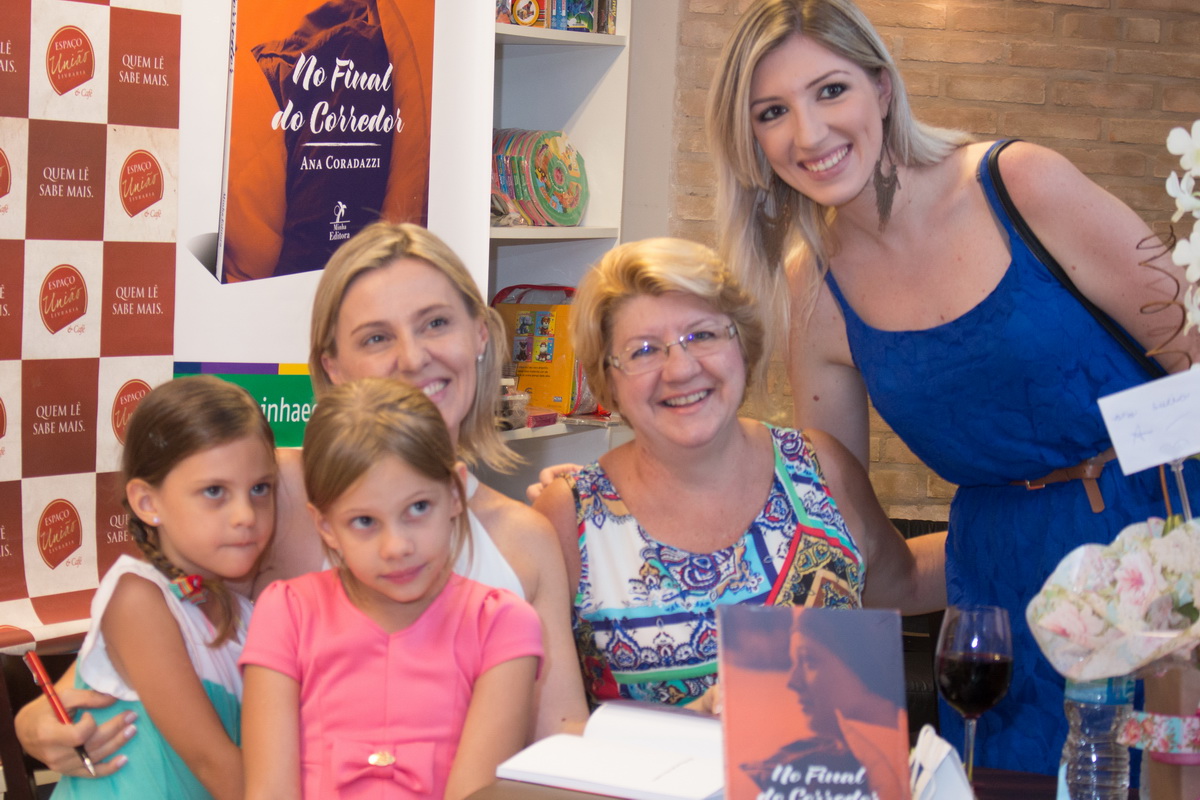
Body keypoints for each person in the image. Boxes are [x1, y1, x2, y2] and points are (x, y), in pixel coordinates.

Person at [704, 0, 1200, 774]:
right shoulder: (813, 289)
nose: (809, 134)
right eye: (773, 112)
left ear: (881, 87)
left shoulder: (1020, 184)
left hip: (1171, 565)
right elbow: (846, 541)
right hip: (1003, 617)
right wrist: (761, 669)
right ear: (752, 140)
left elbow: (1194, 365)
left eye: (831, 90)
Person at [17, 222, 586, 776]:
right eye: (377, 338)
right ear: (333, 366)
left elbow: (562, 740)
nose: (413, 358)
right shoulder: (278, 492)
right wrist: (44, 715)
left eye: (435, 323)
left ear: (480, 334)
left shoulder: (524, 539)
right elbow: (162, 608)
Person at [533, 237, 946, 709]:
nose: (680, 369)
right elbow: (550, 730)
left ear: (742, 344)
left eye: (703, 336)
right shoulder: (568, 516)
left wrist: (1021, 523)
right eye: (643, 350)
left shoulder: (822, 468)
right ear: (608, 379)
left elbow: (904, 582)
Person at [241, 378, 542, 799]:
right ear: (325, 525)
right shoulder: (286, 612)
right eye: (364, 521)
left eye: (418, 508)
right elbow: (268, 791)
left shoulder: (501, 625)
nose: (396, 547)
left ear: (455, 493)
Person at [52, 376, 277, 799]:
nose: (246, 514)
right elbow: (214, 765)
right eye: (215, 491)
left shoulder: (245, 614)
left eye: (260, 489)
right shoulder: (137, 599)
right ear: (147, 503)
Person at [732, 610, 908, 800]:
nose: (792, 682)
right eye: (794, 663)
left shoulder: (911, 755)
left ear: (859, 662)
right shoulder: (819, 752)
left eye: (809, 661)